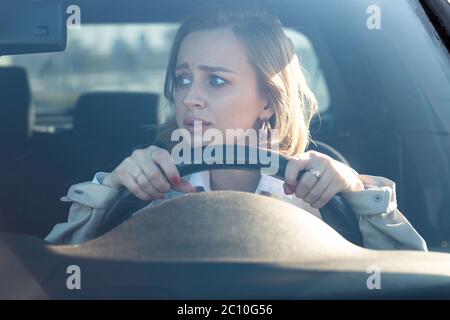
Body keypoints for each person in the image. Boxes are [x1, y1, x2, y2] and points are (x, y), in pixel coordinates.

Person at [45, 3, 427, 251]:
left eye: (215, 81)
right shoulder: (144, 190)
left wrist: (356, 194)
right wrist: (111, 190)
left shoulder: (319, 195)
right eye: (182, 79)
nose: (189, 98)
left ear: (267, 99)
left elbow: (404, 278)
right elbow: (58, 274)